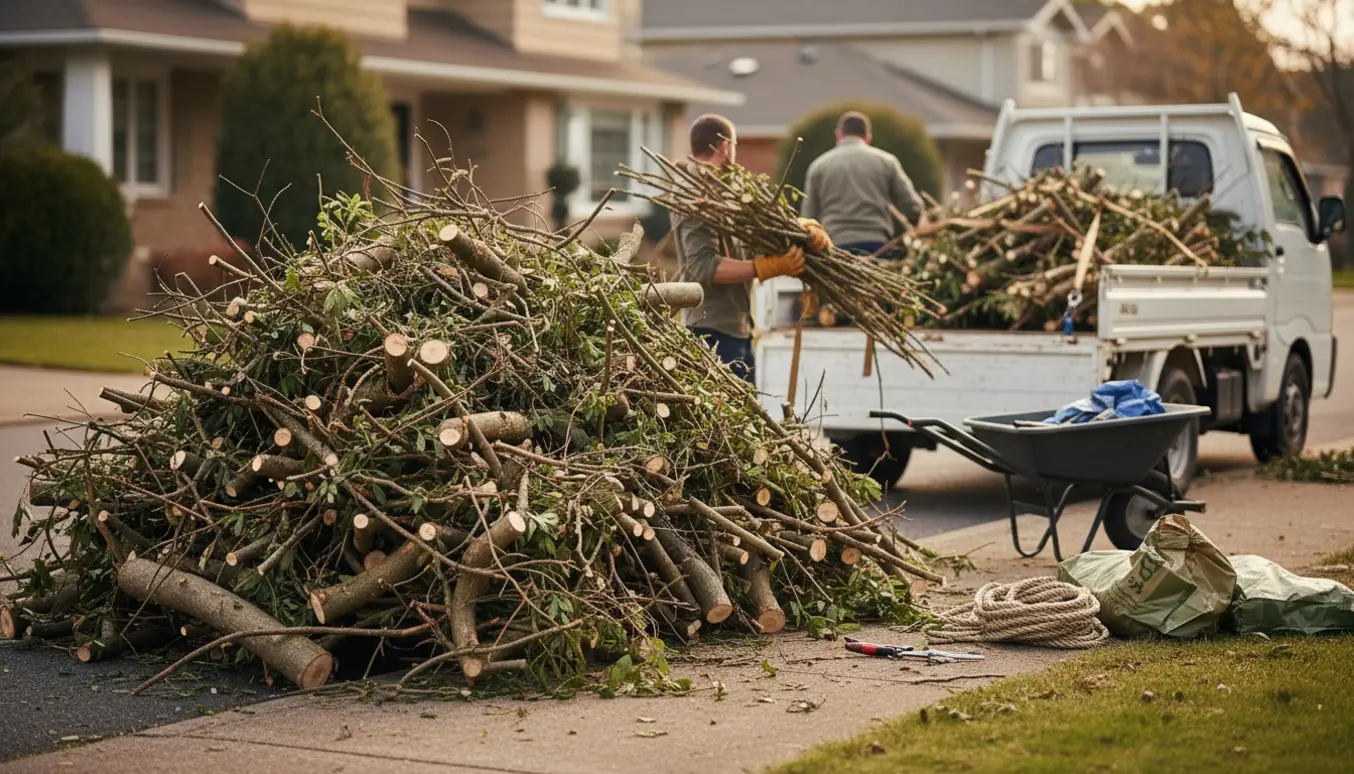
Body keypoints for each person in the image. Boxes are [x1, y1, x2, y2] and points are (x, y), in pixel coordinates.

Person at [670, 114, 832, 383]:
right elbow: (703, 267)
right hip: (713, 332)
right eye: (734, 147)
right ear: (724, 147)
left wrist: (800, 230)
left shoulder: (719, 189)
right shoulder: (694, 194)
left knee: (749, 416)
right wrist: (767, 267)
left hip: (737, 327)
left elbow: (745, 242)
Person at [801, 110, 925, 258]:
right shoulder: (887, 162)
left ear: (838, 135)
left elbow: (808, 217)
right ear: (868, 137)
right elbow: (913, 207)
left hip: (835, 247)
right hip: (877, 246)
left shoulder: (819, 166)